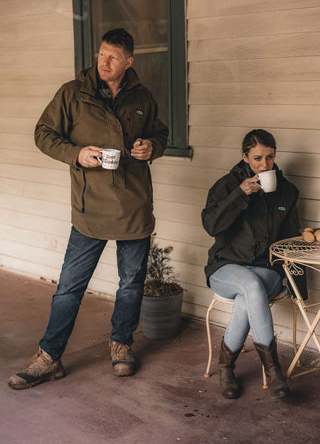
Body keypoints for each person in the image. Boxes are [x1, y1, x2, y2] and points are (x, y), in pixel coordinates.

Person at [8, 28, 168, 390]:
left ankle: (121, 345)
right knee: (68, 288)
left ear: (129, 62)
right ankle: (49, 357)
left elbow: (160, 133)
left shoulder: (142, 96)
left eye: (112, 57)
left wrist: (151, 147)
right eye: (100, 55)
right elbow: (44, 133)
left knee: (130, 285)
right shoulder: (73, 94)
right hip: (89, 207)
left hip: (134, 206)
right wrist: (75, 154)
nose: (103, 62)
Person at [201, 129, 307, 400]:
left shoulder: (286, 192)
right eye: (257, 158)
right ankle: (274, 373)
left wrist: (298, 288)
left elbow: (291, 242)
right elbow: (212, 226)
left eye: (270, 158)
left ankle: (226, 367)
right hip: (225, 266)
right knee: (250, 286)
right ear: (245, 157)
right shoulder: (226, 186)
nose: (264, 165)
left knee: (252, 288)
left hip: (266, 270)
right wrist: (240, 194)